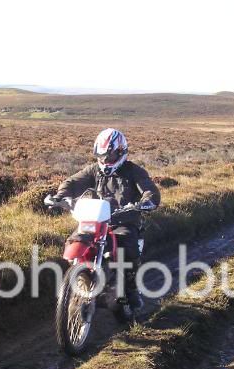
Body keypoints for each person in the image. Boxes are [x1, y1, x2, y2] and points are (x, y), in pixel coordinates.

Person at [51, 128, 160, 309]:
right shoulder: (95, 170)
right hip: (96, 219)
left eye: (108, 156)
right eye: (101, 156)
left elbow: (149, 190)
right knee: (76, 239)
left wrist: (146, 201)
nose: (104, 160)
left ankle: (131, 289)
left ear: (120, 152)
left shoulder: (133, 171)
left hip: (123, 220)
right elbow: (72, 182)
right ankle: (81, 278)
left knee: (128, 247)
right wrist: (61, 196)